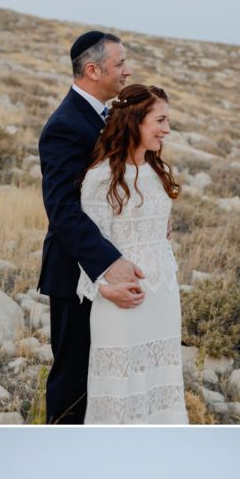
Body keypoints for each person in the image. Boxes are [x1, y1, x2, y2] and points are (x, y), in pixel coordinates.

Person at [38, 30, 146, 424]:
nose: (126, 71)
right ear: (92, 69)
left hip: (110, 267)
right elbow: (62, 209)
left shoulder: (110, 117)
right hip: (74, 273)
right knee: (73, 381)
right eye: (119, 64)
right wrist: (107, 262)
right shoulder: (63, 126)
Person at [79, 85, 187, 423]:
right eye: (160, 120)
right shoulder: (100, 179)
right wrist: (103, 289)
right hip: (121, 304)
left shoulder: (157, 172)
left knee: (162, 390)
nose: (167, 129)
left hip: (164, 302)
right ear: (135, 122)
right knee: (120, 394)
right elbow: (87, 246)